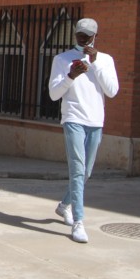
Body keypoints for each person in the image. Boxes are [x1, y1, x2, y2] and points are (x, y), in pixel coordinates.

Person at [48, 18, 119, 244]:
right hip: (73, 119)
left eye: (87, 35)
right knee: (77, 171)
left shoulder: (106, 60)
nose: (83, 38)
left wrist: (95, 63)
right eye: (80, 34)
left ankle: (63, 206)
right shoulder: (62, 59)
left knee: (86, 172)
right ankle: (79, 222)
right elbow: (53, 94)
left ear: (95, 36)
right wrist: (71, 75)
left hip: (95, 120)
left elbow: (112, 91)